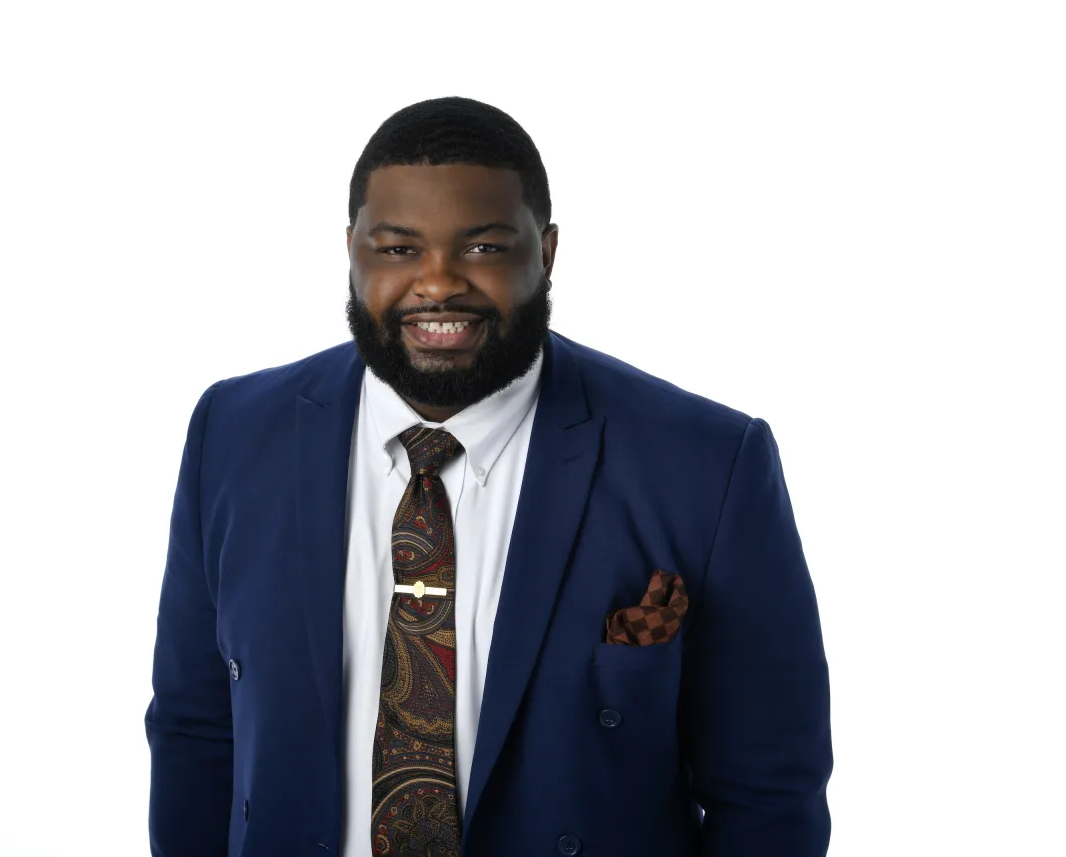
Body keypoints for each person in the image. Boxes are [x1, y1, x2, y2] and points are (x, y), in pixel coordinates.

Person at [144, 96, 833, 857]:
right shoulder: (235, 435)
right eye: (398, 248)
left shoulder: (705, 464)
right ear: (351, 250)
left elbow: (769, 794)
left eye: (483, 247)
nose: (438, 283)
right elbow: (194, 728)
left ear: (548, 251)